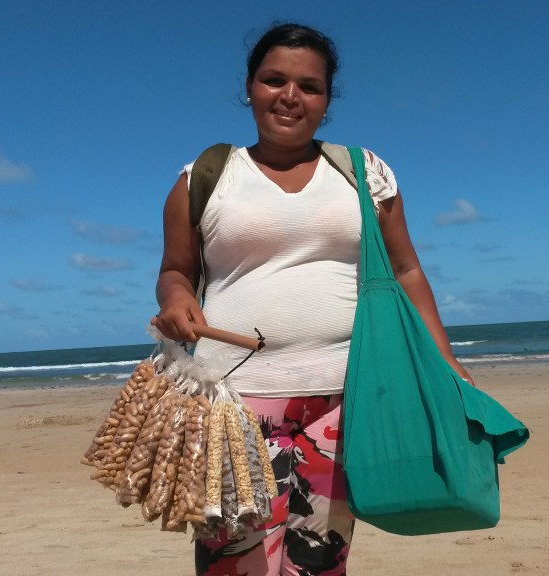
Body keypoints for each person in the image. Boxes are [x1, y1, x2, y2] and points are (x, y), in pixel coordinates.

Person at [152, 22, 471, 575]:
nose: (290, 96)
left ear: (327, 98)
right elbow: (176, 269)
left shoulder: (362, 172)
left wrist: (445, 361)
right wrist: (178, 298)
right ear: (250, 87)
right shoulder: (205, 176)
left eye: (310, 85)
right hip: (233, 404)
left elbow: (407, 270)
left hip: (344, 404)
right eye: (274, 80)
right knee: (232, 563)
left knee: (320, 562)